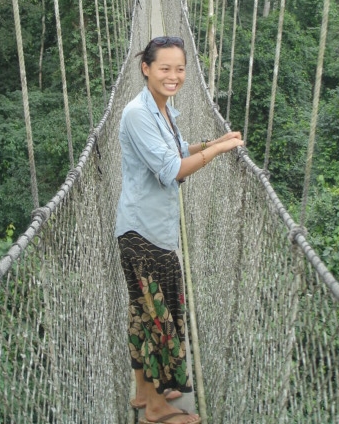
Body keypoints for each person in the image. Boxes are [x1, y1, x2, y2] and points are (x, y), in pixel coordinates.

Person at [115, 36, 244, 424]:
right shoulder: (138, 113)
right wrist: (217, 153)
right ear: (146, 69)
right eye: (165, 68)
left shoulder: (162, 108)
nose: (174, 76)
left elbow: (173, 150)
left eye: (180, 68)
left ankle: (143, 393)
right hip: (145, 236)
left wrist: (209, 142)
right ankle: (157, 409)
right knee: (159, 319)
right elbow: (171, 170)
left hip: (151, 230)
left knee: (144, 315)